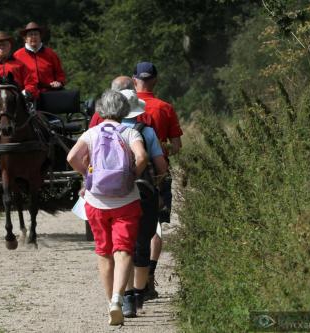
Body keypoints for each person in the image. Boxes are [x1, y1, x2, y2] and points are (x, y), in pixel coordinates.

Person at [67, 89, 147, 326]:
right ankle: (117, 299)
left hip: (96, 202)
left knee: (104, 252)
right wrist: (133, 175)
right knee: (123, 250)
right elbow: (141, 157)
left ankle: (109, 302)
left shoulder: (91, 133)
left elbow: (72, 157)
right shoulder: (130, 132)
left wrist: (87, 176)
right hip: (126, 200)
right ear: (124, 111)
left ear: (101, 110)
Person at [133, 62, 183, 299]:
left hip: (127, 174)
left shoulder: (124, 108)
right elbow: (176, 147)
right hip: (157, 173)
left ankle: (130, 283)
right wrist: (158, 150)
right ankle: (149, 277)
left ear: (135, 81)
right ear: (156, 80)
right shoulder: (165, 108)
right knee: (155, 227)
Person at [117, 89, 169, 318]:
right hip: (143, 193)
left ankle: (126, 297)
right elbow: (161, 167)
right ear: (138, 111)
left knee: (122, 246)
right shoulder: (146, 132)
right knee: (141, 245)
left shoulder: (106, 131)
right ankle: (138, 296)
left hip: (115, 195)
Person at [13, 22, 66, 92]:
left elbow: (60, 73)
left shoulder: (51, 54)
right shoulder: (17, 56)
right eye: (30, 35)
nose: (33, 37)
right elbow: (14, 77)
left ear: (40, 36)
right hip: (26, 95)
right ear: (25, 38)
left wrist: (59, 82)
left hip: (50, 92)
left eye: (36, 34)